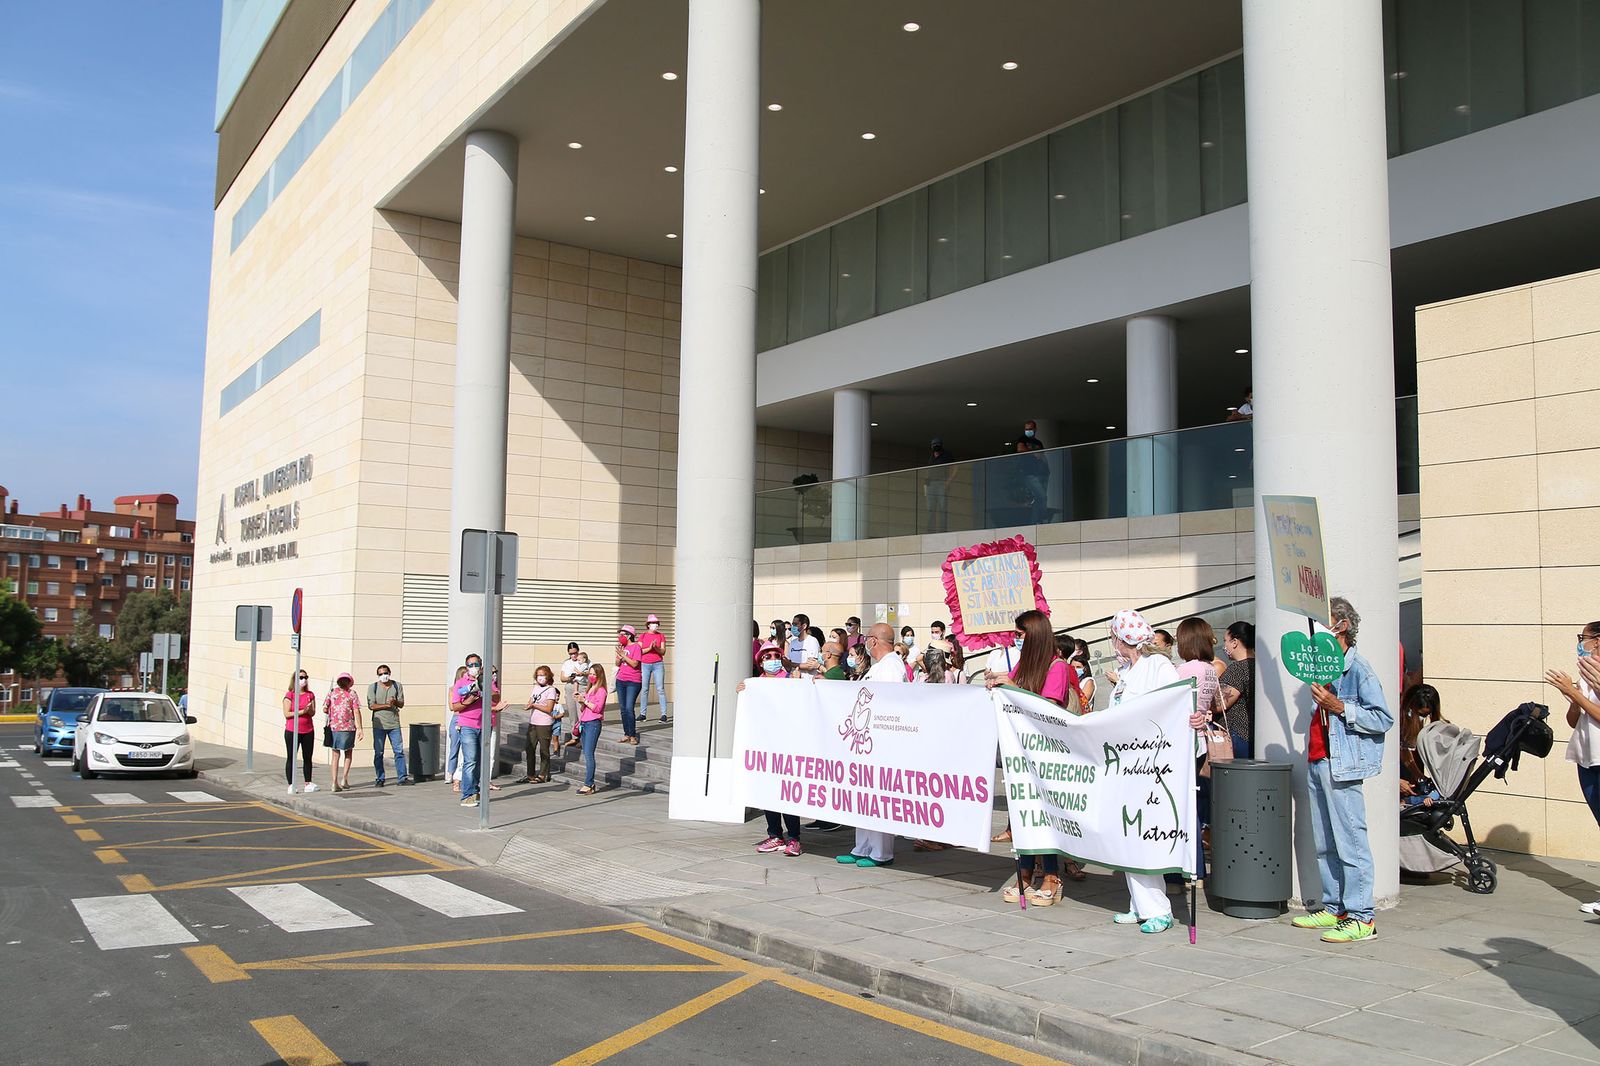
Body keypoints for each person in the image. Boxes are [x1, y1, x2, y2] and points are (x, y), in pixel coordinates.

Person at [1291, 596, 1393, 944]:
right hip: (1319, 759)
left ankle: (1363, 917)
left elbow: (1382, 718)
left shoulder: (1358, 669)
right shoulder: (1322, 667)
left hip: (1342, 763)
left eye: (1324, 623)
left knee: (1351, 840)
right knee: (1325, 841)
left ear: (1341, 626)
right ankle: (1335, 907)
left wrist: (1340, 707)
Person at [986, 609, 1085, 899]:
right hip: (1023, 750)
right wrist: (998, 680)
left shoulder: (1057, 667)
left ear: (1034, 635)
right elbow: (1012, 685)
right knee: (1023, 812)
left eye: (1020, 634)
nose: (1016, 639)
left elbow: (1048, 706)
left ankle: (1052, 876)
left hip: (1046, 751)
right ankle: (1025, 872)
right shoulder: (1024, 664)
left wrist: (1011, 685)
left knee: (1045, 814)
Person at [1106, 609, 1186, 933]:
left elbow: (1175, 704)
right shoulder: (1126, 672)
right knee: (1128, 835)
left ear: (1123, 638)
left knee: (1143, 834)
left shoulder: (1158, 666)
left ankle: (1159, 909)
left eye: (1114, 636)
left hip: (1149, 765)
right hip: (1124, 766)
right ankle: (1138, 905)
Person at [837, 623, 906, 869]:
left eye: (867, 638)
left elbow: (890, 706)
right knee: (863, 797)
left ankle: (880, 852)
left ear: (874, 641)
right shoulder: (880, 667)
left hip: (880, 741)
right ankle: (862, 847)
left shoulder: (891, 667)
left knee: (878, 799)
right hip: (864, 740)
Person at [1546, 622, 1600, 914]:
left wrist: (1575, 692)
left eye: (1584, 638)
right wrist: (1573, 698)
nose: (1580, 643)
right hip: (1587, 758)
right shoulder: (1587, 675)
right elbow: (1574, 720)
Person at [742, 642, 804, 856]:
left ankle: (794, 838)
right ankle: (775, 835)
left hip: (787, 745)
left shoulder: (789, 679)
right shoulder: (756, 683)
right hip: (765, 746)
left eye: (775, 655)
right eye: (767, 657)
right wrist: (742, 692)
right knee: (768, 792)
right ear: (760, 662)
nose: (771, 660)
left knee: (787, 793)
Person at [1175, 618, 1221, 882]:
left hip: (1184, 741)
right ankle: (1198, 869)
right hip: (1201, 740)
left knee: (1182, 806)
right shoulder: (1210, 669)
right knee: (1192, 803)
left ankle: (1188, 868)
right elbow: (1212, 704)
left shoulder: (1185, 669)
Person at [451, 653, 501, 809]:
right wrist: (469, 700)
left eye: (476, 664)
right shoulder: (460, 683)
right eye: (470, 665)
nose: (473, 667)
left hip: (484, 725)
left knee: (480, 760)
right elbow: (455, 706)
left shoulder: (486, 680)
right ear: (466, 667)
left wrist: (484, 688)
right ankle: (467, 795)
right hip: (467, 725)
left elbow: (496, 697)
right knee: (470, 759)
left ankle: (475, 790)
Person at [1398, 683, 1443, 807]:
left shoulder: (1411, 721)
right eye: (1421, 714)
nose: (1422, 718)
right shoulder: (1396, 718)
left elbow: (1405, 750)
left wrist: (1419, 776)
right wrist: (1396, 781)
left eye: (1426, 715)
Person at [1218, 622, 1256, 758]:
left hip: (1239, 735)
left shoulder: (1237, 669)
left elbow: (1219, 703)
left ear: (1235, 642)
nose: (1225, 646)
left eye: (1225, 641)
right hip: (1254, 735)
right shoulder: (1259, 666)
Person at [368, 665, 410, 787]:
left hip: (394, 724)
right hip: (379, 724)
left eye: (385, 673)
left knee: (398, 751)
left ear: (389, 673)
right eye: (380, 674)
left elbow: (401, 703)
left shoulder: (397, 685)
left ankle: (402, 777)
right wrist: (386, 705)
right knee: (378, 752)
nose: (383, 676)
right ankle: (380, 778)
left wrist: (394, 702)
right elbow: (372, 706)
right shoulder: (373, 687)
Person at [519, 665, 561, 785]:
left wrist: (534, 706)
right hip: (533, 722)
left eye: (543, 675)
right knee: (530, 748)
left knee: (544, 749)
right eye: (538, 675)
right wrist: (528, 705)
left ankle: (543, 774)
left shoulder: (551, 690)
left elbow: (549, 708)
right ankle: (530, 774)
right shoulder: (536, 688)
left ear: (548, 676)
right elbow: (531, 700)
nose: (540, 677)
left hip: (544, 723)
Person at [323, 672, 364, 792]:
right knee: (348, 752)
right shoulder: (352, 694)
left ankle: (334, 781)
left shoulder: (332, 692)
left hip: (334, 726)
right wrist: (360, 728)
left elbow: (325, 708)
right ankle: (344, 778)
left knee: (335, 755)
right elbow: (356, 711)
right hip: (348, 727)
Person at [281, 670, 318, 795]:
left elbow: (313, 712)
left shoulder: (310, 694)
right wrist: (302, 711)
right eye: (301, 677)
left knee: (307, 757)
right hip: (292, 730)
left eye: (306, 677)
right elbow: (287, 713)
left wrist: (309, 709)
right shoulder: (290, 695)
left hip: (308, 730)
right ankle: (291, 784)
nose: (304, 679)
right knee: (291, 757)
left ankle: (308, 782)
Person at [575, 663, 608, 796]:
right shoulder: (589, 689)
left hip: (593, 723)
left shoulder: (601, 690)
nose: (591, 676)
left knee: (589, 754)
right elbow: (584, 708)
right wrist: (581, 701)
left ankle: (589, 783)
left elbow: (597, 708)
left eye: (594, 674)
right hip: (585, 722)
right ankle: (589, 783)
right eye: (590, 674)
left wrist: (585, 701)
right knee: (586, 753)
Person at [614, 625, 643, 745]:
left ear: (629, 635)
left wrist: (624, 655)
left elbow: (635, 664)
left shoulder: (636, 647)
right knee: (623, 710)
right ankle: (626, 733)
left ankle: (632, 735)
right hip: (621, 680)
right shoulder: (623, 647)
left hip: (633, 681)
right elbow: (617, 663)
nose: (620, 637)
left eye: (622, 634)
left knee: (629, 708)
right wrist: (619, 655)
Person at [638, 613, 669, 724]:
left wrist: (655, 648)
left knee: (660, 689)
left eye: (656, 623)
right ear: (648, 624)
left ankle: (664, 714)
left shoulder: (661, 636)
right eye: (652, 623)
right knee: (645, 689)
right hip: (645, 664)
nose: (655, 625)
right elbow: (640, 651)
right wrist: (650, 648)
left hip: (658, 664)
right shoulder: (643, 636)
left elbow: (663, 651)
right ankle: (642, 714)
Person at [558, 642, 586, 749]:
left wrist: (582, 674)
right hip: (570, 687)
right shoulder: (567, 663)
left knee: (581, 714)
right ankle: (575, 736)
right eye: (571, 654)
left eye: (575, 653)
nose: (573, 656)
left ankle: (583, 738)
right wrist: (570, 677)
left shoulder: (584, 660)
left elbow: (590, 673)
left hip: (581, 688)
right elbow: (562, 678)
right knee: (572, 713)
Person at [445, 665, 469, 790]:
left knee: (467, 749)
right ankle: (450, 772)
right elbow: (452, 706)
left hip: (467, 719)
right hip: (456, 718)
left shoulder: (470, 689)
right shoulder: (453, 689)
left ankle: (461, 775)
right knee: (454, 746)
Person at [925, 438, 954, 532]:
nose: (935, 447)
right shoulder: (931, 457)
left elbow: (956, 467)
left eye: (937, 445)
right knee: (930, 508)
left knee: (942, 507)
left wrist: (949, 480)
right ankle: (931, 530)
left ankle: (942, 529)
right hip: (930, 484)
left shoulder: (947, 456)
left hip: (941, 482)